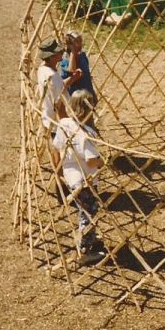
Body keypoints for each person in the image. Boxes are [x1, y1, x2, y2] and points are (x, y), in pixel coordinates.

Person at [53, 89, 105, 264]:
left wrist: (60, 170)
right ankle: (84, 251)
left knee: (84, 211)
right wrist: (102, 162)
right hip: (85, 180)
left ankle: (89, 239)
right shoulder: (86, 134)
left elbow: (57, 147)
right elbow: (91, 161)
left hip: (71, 176)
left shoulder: (64, 123)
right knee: (88, 214)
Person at [37, 38, 81, 168]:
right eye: (58, 53)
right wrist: (65, 123)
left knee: (56, 148)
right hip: (56, 120)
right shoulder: (53, 76)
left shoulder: (42, 70)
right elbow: (59, 103)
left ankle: (59, 180)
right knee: (61, 153)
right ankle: (60, 181)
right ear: (51, 57)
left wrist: (72, 79)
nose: (61, 53)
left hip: (47, 116)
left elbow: (59, 87)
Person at [60, 30, 97, 104]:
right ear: (69, 45)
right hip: (76, 97)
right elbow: (72, 70)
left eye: (80, 41)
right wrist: (72, 52)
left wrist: (93, 93)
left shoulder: (82, 55)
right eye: (77, 42)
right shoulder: (65, 60)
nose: (80, 45)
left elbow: (87, 75)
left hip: (87, 92)